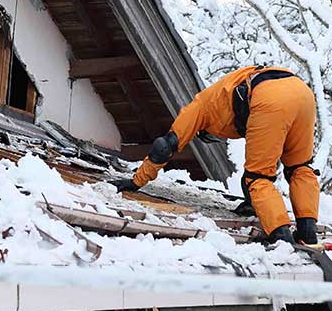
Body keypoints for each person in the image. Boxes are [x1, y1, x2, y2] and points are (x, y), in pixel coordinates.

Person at [113, 64, 321, 245]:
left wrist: (136, 181)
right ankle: (308, 232)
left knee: (257, 177)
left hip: (268, 97)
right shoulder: (223, 95)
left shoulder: (200, 107)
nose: (218, 137)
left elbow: (164, 146)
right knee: (299, 168)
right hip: (301, 93)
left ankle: (281, 237)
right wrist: (252, 204)